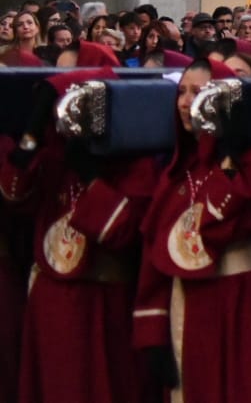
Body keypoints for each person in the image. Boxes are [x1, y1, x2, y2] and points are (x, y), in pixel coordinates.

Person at [134, 60, 251, 403]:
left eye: (197, 92)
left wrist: (229, 161)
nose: (184, 102)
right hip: (186, 307)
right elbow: (155, 254)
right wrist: (152, 331)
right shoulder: (177, 171)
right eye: (181, 92)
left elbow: (235, 225)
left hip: (243, 305)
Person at [1, 65, 158, 403]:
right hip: (50, 299)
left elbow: (124, 231)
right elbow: (14, 195)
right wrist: (30, 137)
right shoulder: (56, 156)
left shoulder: (133, 159)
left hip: (103, 301)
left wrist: (91, 177)